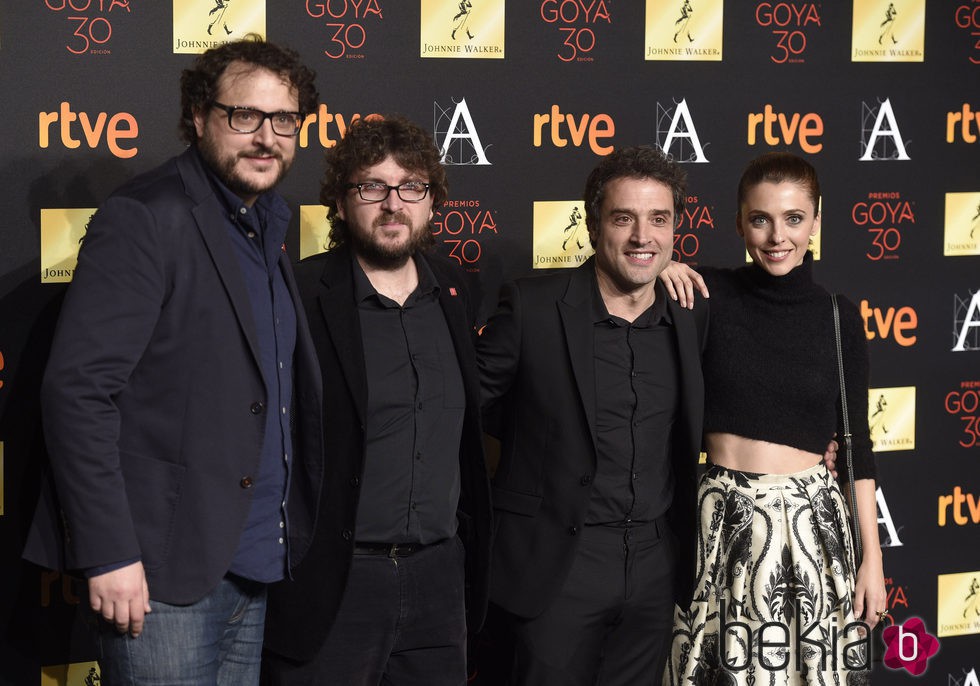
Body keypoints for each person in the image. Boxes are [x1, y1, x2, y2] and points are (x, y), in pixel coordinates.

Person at [23, 37, 323, 685]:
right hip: (159, 571)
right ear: (198, 116)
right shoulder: (146, 217)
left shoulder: (270, 220)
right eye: (244, 116)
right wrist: (109, 553)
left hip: (250, 559)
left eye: (284, 121)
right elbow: (77, 393)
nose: (266, 137)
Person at [261, 115, 493, 685]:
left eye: (411, 186)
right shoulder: (300, 292)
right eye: (372, 187)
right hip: (336, 580)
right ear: (341, 204)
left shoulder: (457, 289)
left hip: (440, 578)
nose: (393, 203)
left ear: (433, 201)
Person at [476, 146, 708, 685]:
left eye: (659, 220)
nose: (642, 236)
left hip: (655, 567)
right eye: (624, 218)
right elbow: (460, 409)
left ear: (676, 229)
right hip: (558, 565)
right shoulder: (533, 307)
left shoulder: (691, 314)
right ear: (591, 223)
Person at [659, 152, 886, 685]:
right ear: (739, 222)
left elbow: (858, 447)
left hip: (813, 529)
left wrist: (871, 560)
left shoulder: (837, 316)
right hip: (721, 524)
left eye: (793, 218)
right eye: (760, 219)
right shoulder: (706, 294)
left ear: (816, 221)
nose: (777, 236)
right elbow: (634, 274)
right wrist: (661, 263)